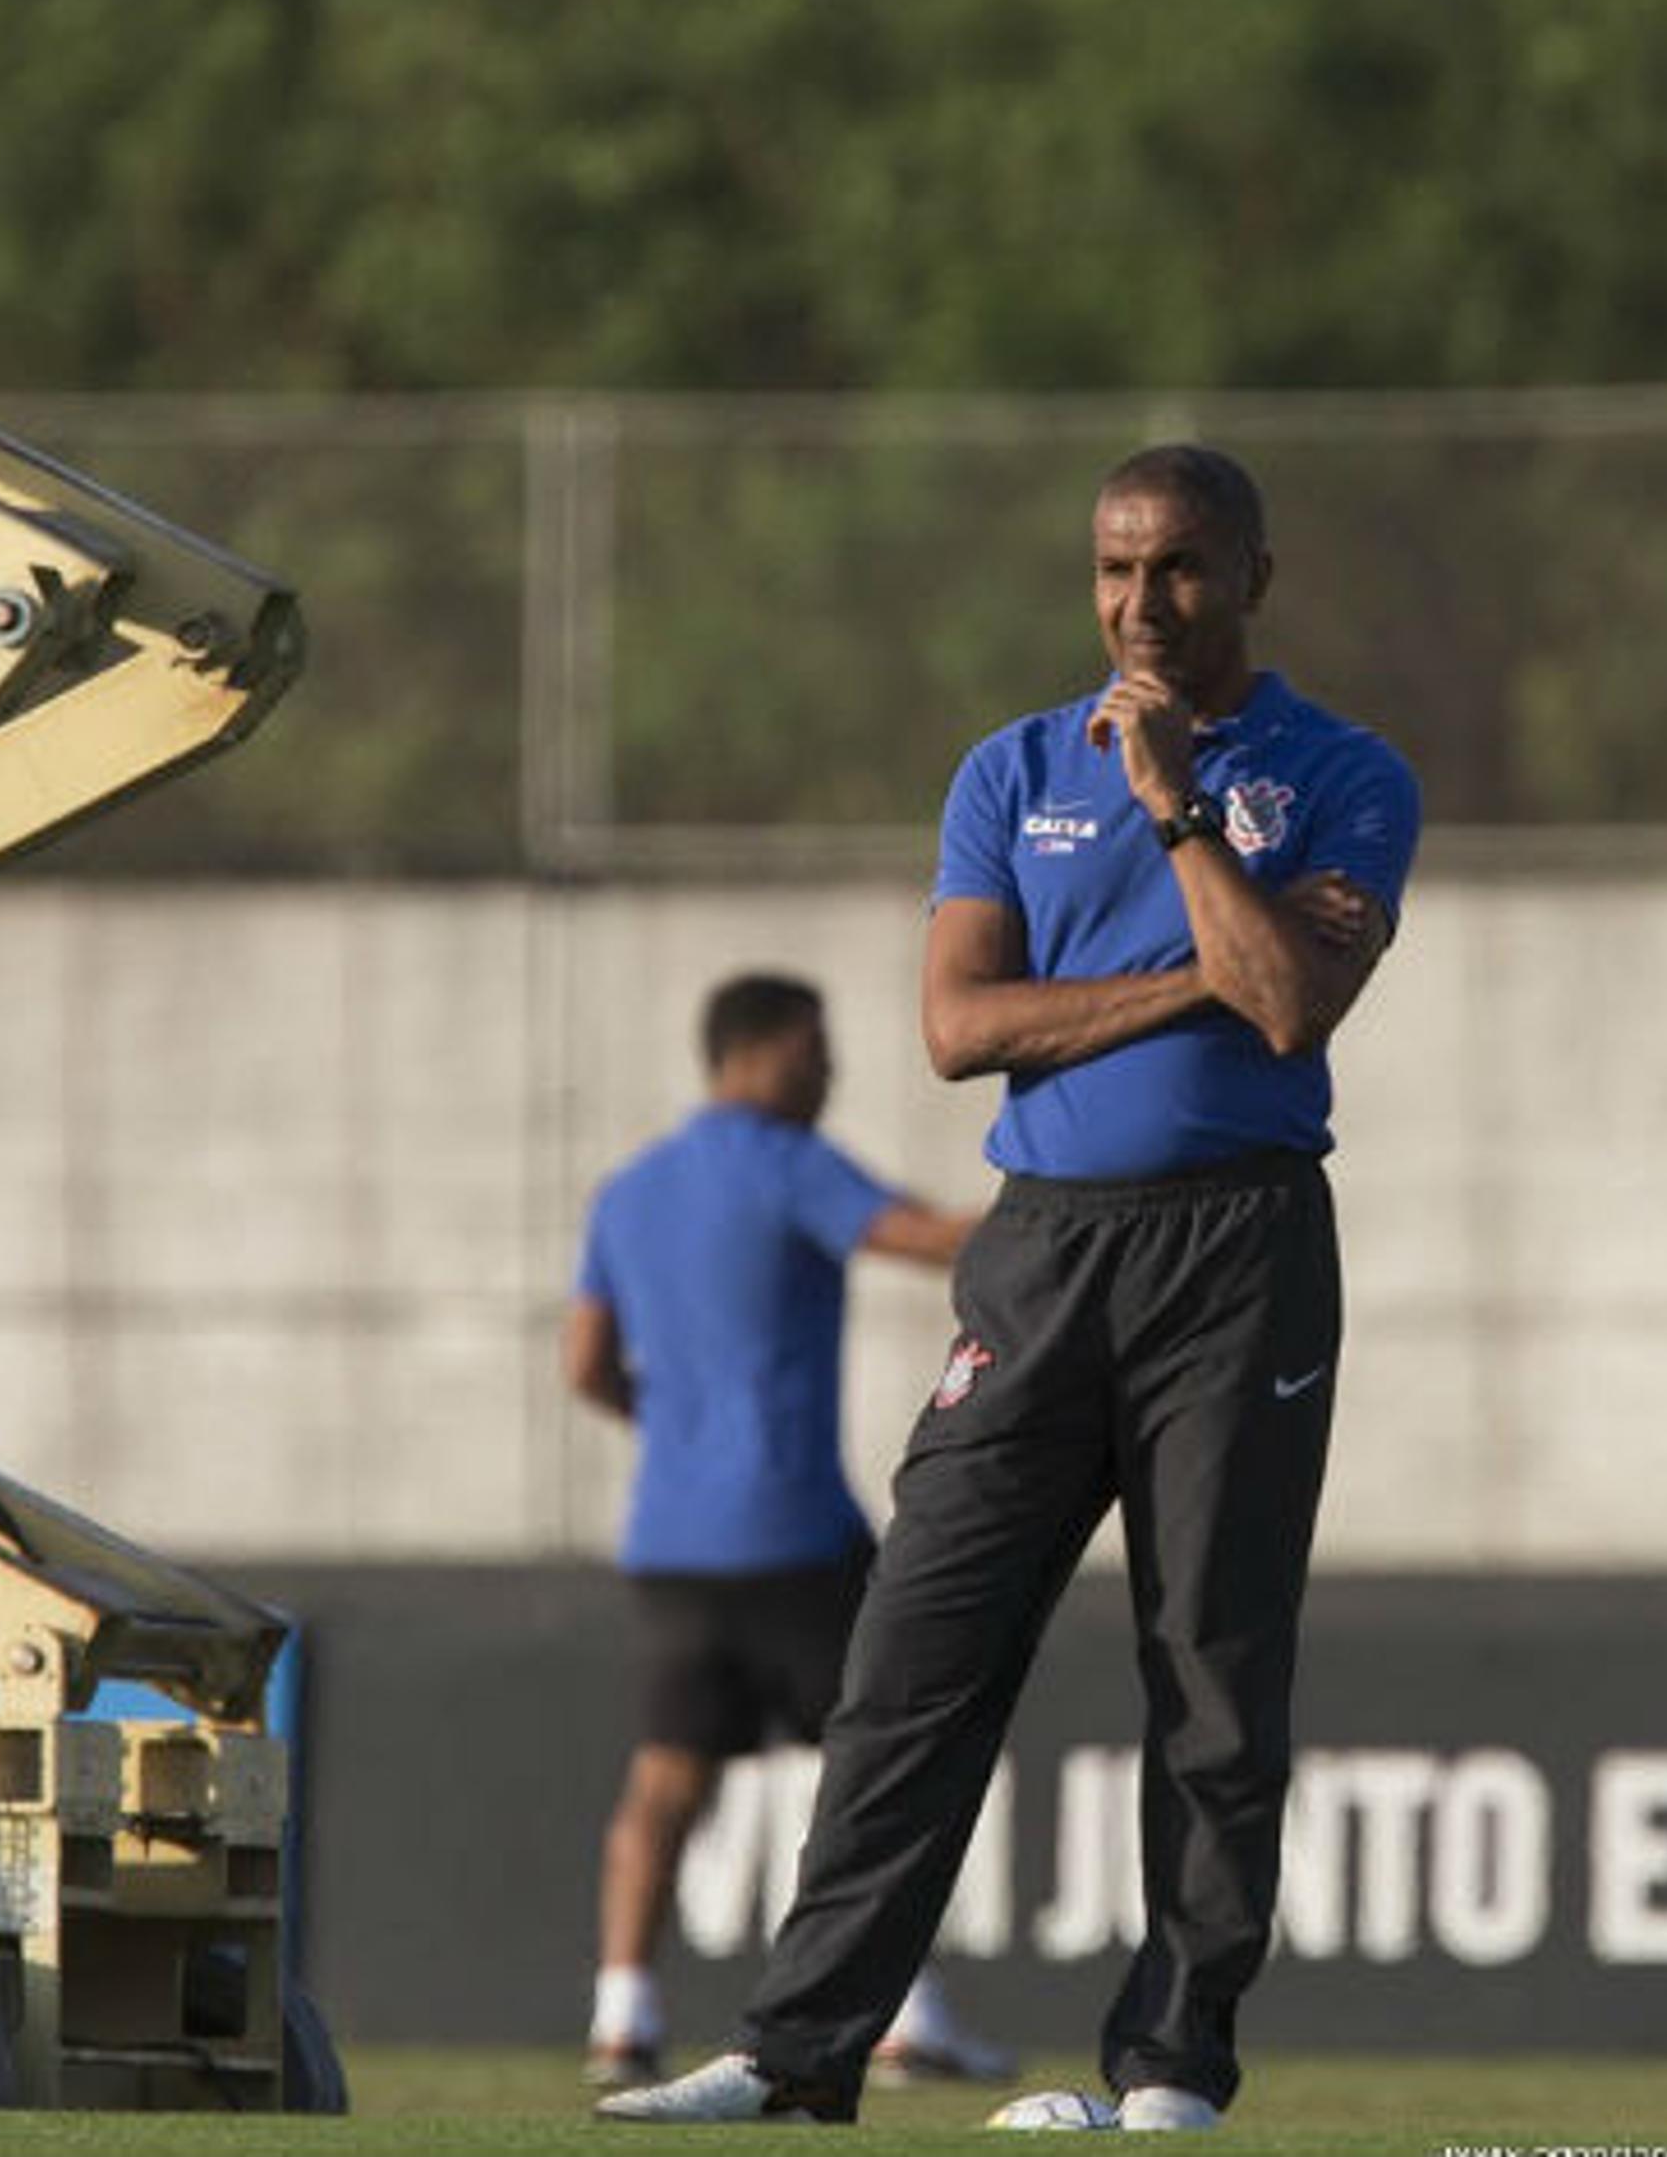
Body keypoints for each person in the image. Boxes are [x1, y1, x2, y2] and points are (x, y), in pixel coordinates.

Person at [600, 446, 1416, 2132]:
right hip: (1043, 1241)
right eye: (1114, 570)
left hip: (1241, 1244)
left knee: (1209, 1659)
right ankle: (797, 2051)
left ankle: (1173, 2064)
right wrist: (1206, 954)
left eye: (1180, 568)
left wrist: (1183, 805)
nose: (1140, 603)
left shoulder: (1346, 772)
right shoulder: (1013, 768)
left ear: (1254, 575)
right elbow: (963, 1028)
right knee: (913, 1648)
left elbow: (1290, 1015)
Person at [569, 972, 1005, 2090]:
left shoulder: (629, 1191)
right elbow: (927, 1238)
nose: (830, 1072)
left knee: (664, 1779)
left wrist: (669, 1427)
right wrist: (1071, 1196)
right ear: (757, 1055)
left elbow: (583, 1363)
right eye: (816, 1051)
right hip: (796, 1530)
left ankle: (621, 2011)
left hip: (670, 1536)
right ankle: (905, 2011)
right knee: (879, 1768)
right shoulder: (786, 1163)